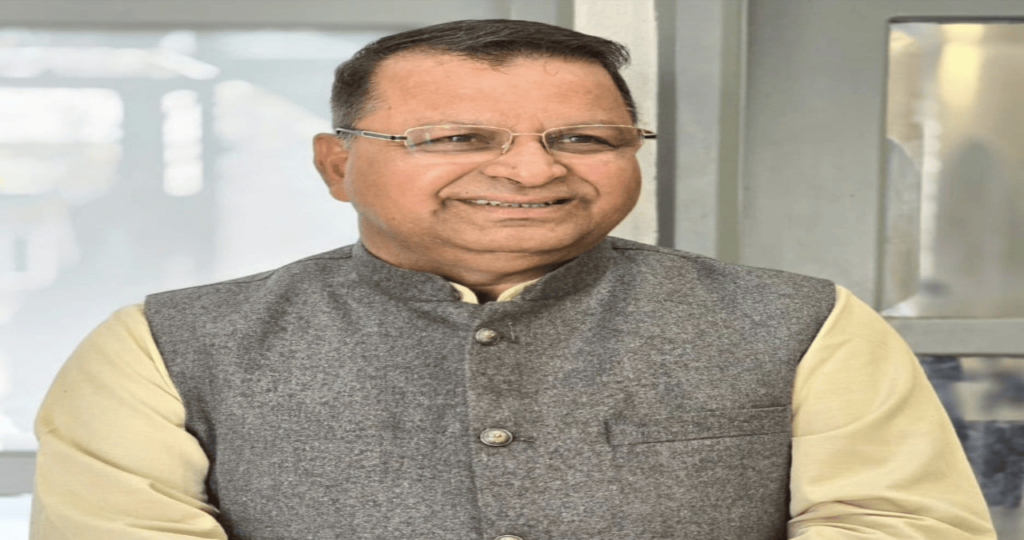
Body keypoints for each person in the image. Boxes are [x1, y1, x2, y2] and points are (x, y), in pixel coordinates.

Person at [31, 19, 995, 540]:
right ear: (337, 164)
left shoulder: (804, 324)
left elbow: (901, 528)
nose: (533, 170)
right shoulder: (164, 346)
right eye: (458, 138)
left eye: (584, 137)